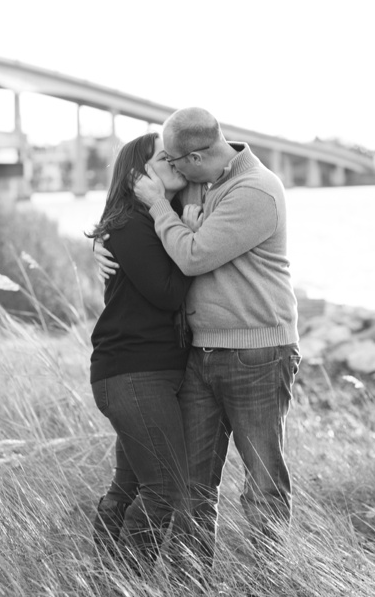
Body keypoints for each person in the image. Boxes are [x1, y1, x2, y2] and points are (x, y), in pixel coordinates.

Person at [121, 106, 302, 564]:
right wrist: (106, 249)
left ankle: (267, 586)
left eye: (176, 162)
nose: (172, 171)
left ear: (197, 157)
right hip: (200, 354)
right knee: (191, 484)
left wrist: (159, 206)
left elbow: (193, 256)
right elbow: (145, 230)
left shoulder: (256, 191)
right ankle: (191, 595)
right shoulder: (202, 178)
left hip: (258, 355)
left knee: (262, 484)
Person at [86, 132, 194, 567]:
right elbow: (169, 293)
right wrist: (189, 231)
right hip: (133, 374)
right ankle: (133, 588)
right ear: (138, 174)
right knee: (165, 489)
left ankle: (103, 579)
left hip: (143, 374)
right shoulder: (132, 226)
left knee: (128, 486)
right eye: (165, 158)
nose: (178, 163)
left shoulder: (144, 222)